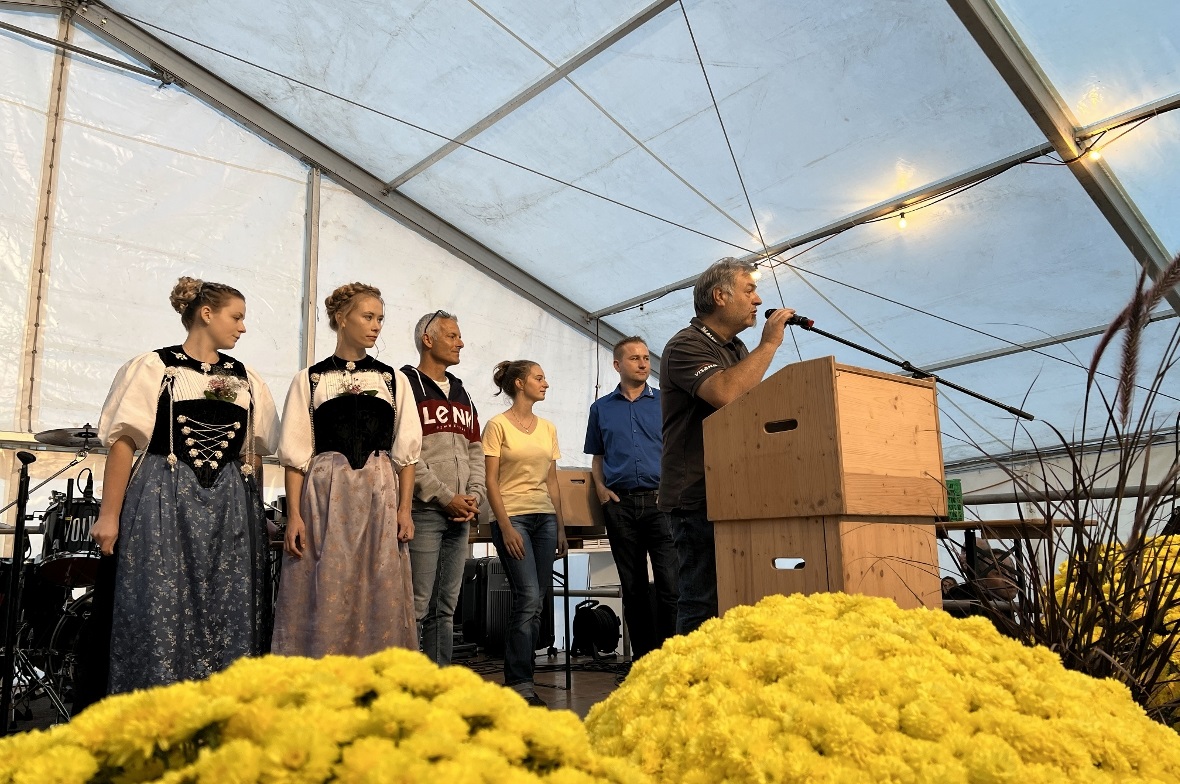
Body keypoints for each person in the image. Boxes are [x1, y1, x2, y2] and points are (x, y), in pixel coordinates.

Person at [91, 276, 279, 693]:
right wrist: (109, 515)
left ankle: (223, 708)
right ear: (206, 314)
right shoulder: (157, 368)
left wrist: (258, 512)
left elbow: (253, 453)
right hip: (164, 495)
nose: (243, 328)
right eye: (237, 317)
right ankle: (156, 705)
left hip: (230, 503)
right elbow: (124, 442)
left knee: (228, 601)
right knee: (161, 597)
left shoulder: (246, 379)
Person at [271, 282, 422, 657]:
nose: (376, 326)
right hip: (326, 494)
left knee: (380, 581)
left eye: (380, 319)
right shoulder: (312, 379)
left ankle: (377, 674)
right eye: (367, 317)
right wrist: (294, 517)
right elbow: (295, 455)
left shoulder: (392, 379)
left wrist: (404, 509)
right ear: (342, 318)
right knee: (326, 582)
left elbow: (406, 453)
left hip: (378, 492)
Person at [660, 258, 794, 635]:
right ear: (720, 296)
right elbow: (727, 393)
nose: (758, 299)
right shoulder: (686, 345)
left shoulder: (734, 348)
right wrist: (769, 344)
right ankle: (688, 686)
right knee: (702, 600)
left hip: (735, 491)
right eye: (749, 290)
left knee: (737, 596)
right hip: (696, 495)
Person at [584, 336, 678, 659]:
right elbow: (597, 456)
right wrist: (600, 488)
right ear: (617, 365)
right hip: (619, 506)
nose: (642, 363)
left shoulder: (666, 401)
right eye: (635, 358)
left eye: (646, 358)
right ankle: (643, 663)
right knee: (634, 590)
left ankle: (671, 659)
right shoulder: (601, 409)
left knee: (671, 587)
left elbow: (679, 448)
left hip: (661, 504)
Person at [402, 310, 486, 666]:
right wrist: (443, 495)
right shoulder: (404, 384)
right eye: (452, 336)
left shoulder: (462, 391)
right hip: (424, 512)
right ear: (428, 339)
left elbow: (475, 449)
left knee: (446, 608)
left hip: (460, 514)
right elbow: (404, 453)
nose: (460, 342)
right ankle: (404, 687)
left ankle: (438, 684)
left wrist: (474, 495)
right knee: (416, 605)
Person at [482, 360, 567, 706]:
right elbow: (490, 480)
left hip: (545, 518)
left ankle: (524, 681)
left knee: (536, 601)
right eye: (539, 377)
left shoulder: (548, 428)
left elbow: (552, 481)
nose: (545, 383)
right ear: (520, 383)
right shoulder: (497, 425)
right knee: (528, 596)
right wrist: (504, 527)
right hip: (511, 517)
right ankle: (518, 682)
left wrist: (561, 526)